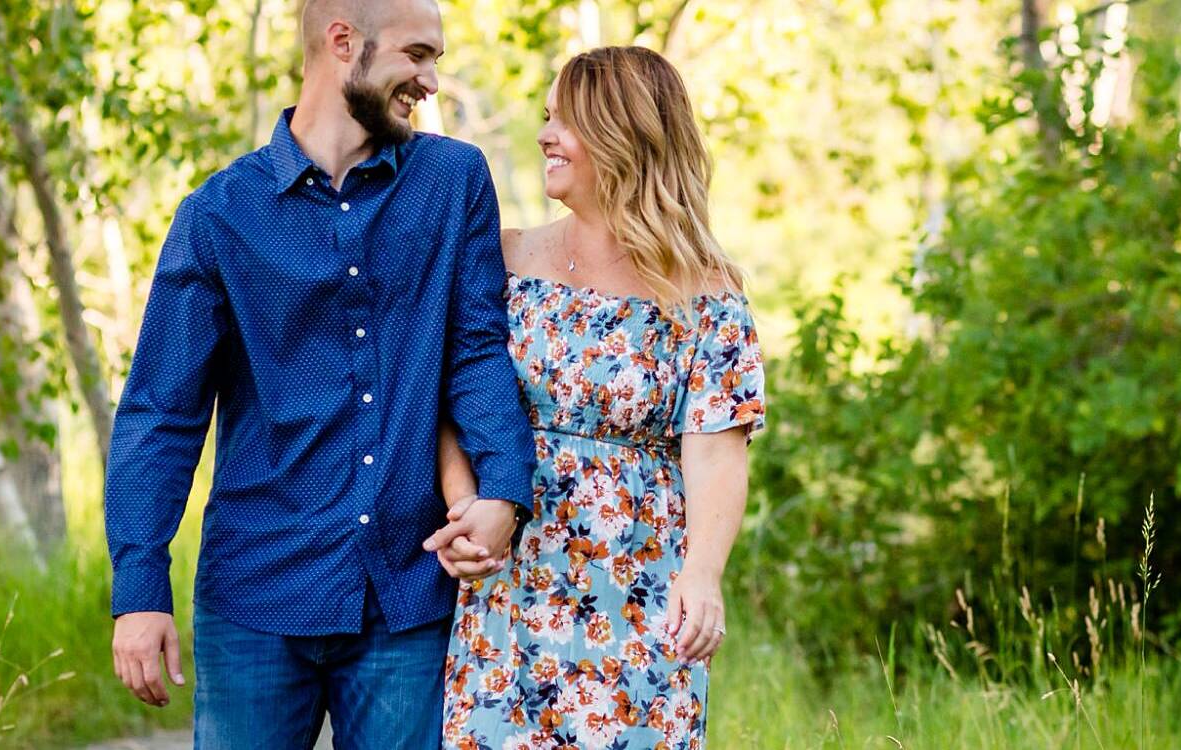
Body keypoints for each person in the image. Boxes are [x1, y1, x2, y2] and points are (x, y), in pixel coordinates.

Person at [102, 0, 536, 747]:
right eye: (418, 55)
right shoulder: (220, 214)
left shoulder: (453, 180)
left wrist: (502, 489)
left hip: (407, 593)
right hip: (256, 595)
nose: (431, 80)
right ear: (344, 42)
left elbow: (475, 347)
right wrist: (139, 590)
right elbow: (161, 413)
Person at [433, 46, 767, 749]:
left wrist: (703, 576)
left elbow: (717, 453)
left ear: (625, 133)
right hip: (511, 578)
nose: (544, 136)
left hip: (642, 587)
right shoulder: (504, 258)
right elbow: (451, 396)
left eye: (566, 122)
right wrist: (463, 504)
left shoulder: (707, 292)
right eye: (546, 117)